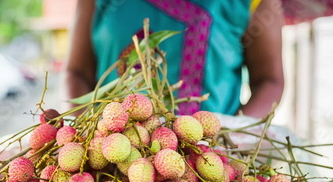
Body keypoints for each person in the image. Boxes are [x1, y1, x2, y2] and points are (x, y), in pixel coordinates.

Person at [63, 0, 284, 118]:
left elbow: (269, 80)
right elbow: (77, 72)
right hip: (112, 155)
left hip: (212, 156)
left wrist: (233, 133)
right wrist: (87, 129)